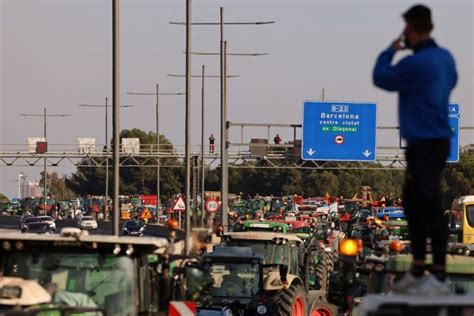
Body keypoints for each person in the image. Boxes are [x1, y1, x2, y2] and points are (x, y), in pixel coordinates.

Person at [373, 4, 457, 294]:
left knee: (428, 205)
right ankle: (421, 268)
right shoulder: (445, 59)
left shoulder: (414, 63)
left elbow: (381, 77)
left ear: (410, 29)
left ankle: (437, 274)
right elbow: (452, 81)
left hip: (423, 142)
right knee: (414, 202)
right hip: (436, 140)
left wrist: (392, 49)